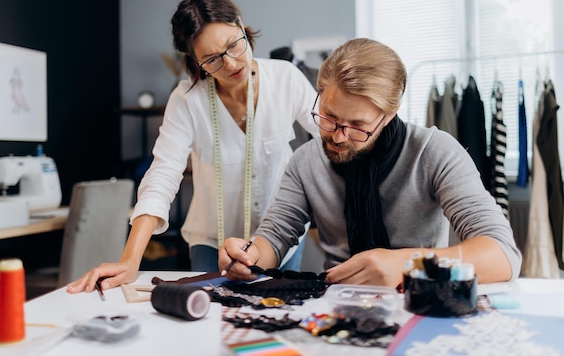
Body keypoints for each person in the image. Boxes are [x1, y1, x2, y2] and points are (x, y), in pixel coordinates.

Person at [66, 0, 317, 294]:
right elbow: (164, 173)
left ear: (240, 24)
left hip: (280, 238)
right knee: (206, 327)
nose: (230, 64)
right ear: (195, 61)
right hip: (210, 242)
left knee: (277, 321)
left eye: (233, 46)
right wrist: (130, 260)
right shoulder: (186, 100)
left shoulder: (286, 78)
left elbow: (330, 138)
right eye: (212, 59)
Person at [219, 37, 522, 287]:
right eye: (329, 118)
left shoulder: (434, 152)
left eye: (357, 125)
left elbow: (503, 255)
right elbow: (274, 236)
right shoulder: (305, 162)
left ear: (390, 113)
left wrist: (410, 264)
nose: (338, 136)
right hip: (334, 308)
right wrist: (249, 256)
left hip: (420, 300)